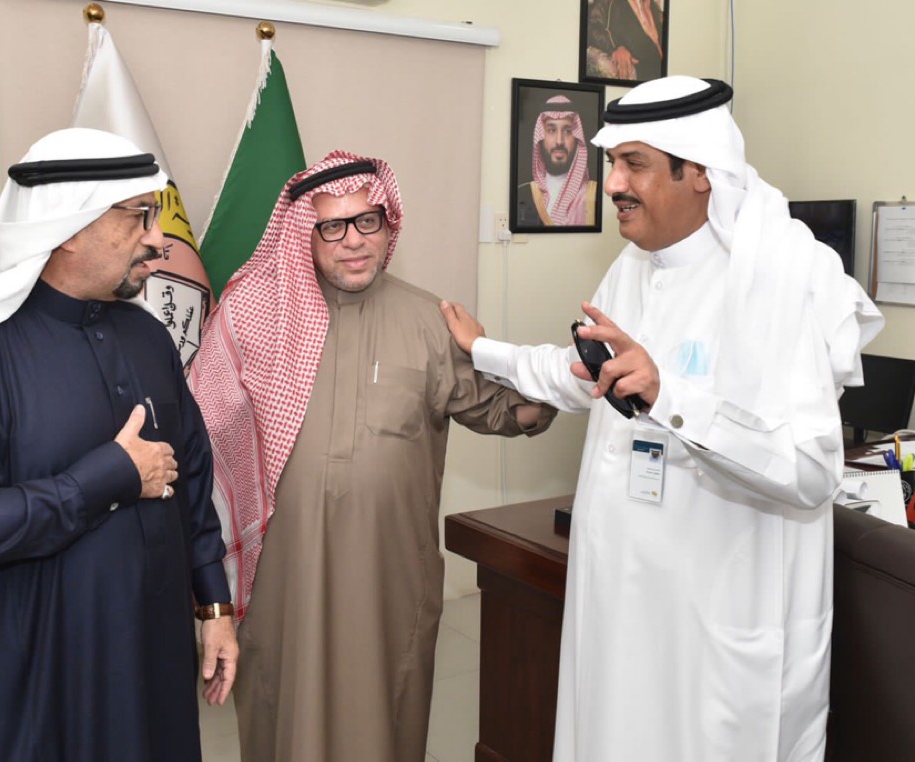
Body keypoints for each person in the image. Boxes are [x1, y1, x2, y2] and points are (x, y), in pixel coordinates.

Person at [442, 77, 884, 761]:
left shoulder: (779, 278)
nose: (613, 184)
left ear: (699, 170)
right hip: (619, 602)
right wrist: (484, 350)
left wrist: (668, 398)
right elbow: (582, 375)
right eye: (611, 163)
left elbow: (811, 471)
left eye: (634, 164)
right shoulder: (634, 266)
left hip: (711, 628)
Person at [187, 150, 558, 761]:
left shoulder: (429, 319)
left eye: (367, 220)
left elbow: (501, 410)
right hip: (286, 580)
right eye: (332, 226)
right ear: (304, 236)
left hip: (389, 576)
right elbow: (207, 442)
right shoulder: (258, 320)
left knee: (381, 720)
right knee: (284, 718)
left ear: (388, 224)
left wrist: (539, 375)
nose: (354, 241)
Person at [0, 128, 238, 762]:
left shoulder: (149, 339)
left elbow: (192, 477)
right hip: (34, 680)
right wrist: (109, 477)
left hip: (151, 658)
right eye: (138, 216)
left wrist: (215, 605)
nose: (158, 238)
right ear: (68, 227)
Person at [516, 94, 598, 228]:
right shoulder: (522, 194)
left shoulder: (594, 195)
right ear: (540, 138)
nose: (559, 141)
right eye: (551, 130)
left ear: (577, 139)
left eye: (567, 131)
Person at [586, 0, 665, 82]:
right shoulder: (608, 3)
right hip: (640, 74)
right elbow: (592, 27)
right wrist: (615, 48)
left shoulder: (653, 7)